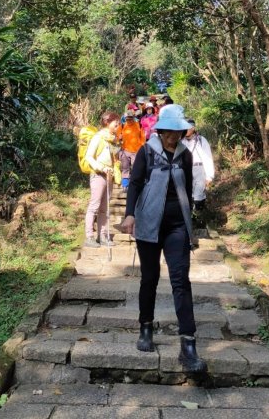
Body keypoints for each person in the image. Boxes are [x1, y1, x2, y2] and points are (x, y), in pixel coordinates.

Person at [121, 104, 207, 372]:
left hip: (177, 224)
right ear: (161, 130)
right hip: (149, 223)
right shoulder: (147, 151)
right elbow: (135, 184)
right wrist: (130, 215)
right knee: (150, 278)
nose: (174, 137)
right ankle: (145, 328)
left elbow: (191, 185)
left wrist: (192, 215)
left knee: (181, 280)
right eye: (169, 132)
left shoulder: (185, 155)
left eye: (178, 132)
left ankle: (188, 344)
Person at [83, 111, 120, 248]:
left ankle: (103, 235)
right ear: (107, 122)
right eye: (115, 121)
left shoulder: (113, 138)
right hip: (98, 175)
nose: (118, 124)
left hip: (109, 175)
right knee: (94, 206)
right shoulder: (98, 137)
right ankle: (89, 236)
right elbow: (89, 156)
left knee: (105, 208)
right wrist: (101, 167)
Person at [182, 119, 215, 215]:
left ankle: (200, 216)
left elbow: (207, 157)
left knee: (199, 193)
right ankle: (191, 217)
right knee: (188, 193)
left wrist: (209, 176)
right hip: (186, 169)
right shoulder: (181, 141)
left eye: (188, 128)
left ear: (193, 128)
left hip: (199, 168)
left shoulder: (201, 140)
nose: (186, 130)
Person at [116, 110, 146, 191]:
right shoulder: (122, 126)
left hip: (136, 151)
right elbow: (117, 139)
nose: (129, 120)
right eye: (127, 119)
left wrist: (142, 149)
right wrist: (119, 138)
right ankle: (125, 185)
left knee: (136, 168)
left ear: (133, 118)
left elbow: (143, 138)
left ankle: (135, 184)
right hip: (125, 150)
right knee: (125, 168)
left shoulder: (139, 125)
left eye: (130, 118)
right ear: (125, 119)